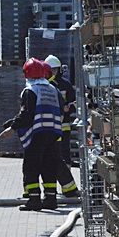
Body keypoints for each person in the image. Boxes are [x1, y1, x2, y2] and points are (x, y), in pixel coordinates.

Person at [1, 58, 63, 211]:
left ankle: (34, 200)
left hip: (37, 134)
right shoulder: (53, 89)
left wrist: (12, 128)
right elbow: (60, 109)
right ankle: (51, 199)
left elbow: (27, 115)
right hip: (54, 133)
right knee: (49, 166)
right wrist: (13, 122)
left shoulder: (30, 91)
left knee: (31, 167)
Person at [44, 55, 80, 198]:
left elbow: (74, 102)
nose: (53, 72)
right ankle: (55, 188)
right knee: (52, 156)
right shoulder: (45, 85)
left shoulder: (65, 85)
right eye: (50, 70)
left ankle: (67, 186)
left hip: (63, 126)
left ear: (59, 70)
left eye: (55, 70)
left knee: (65, 155)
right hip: (50, 127)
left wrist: (68, 108)